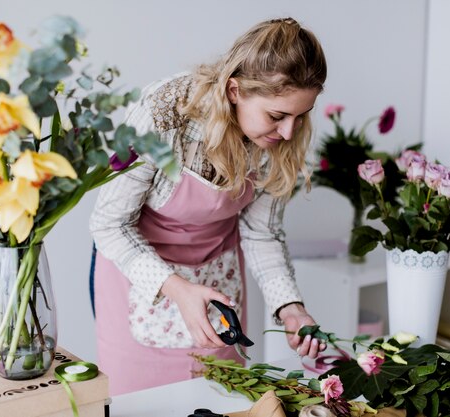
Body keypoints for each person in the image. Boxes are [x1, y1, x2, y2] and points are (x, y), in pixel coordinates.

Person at [89, 17, 327, 395]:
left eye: (301, 116)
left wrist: (290, 308)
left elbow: (262, 233)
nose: (288, 133)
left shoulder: (282, 140)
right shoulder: (164, 113)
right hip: (142, 278)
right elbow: (108, 225)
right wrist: (177, 289)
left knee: (221, 398)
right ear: (235, 90)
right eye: (277, 116)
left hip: (220, 273)